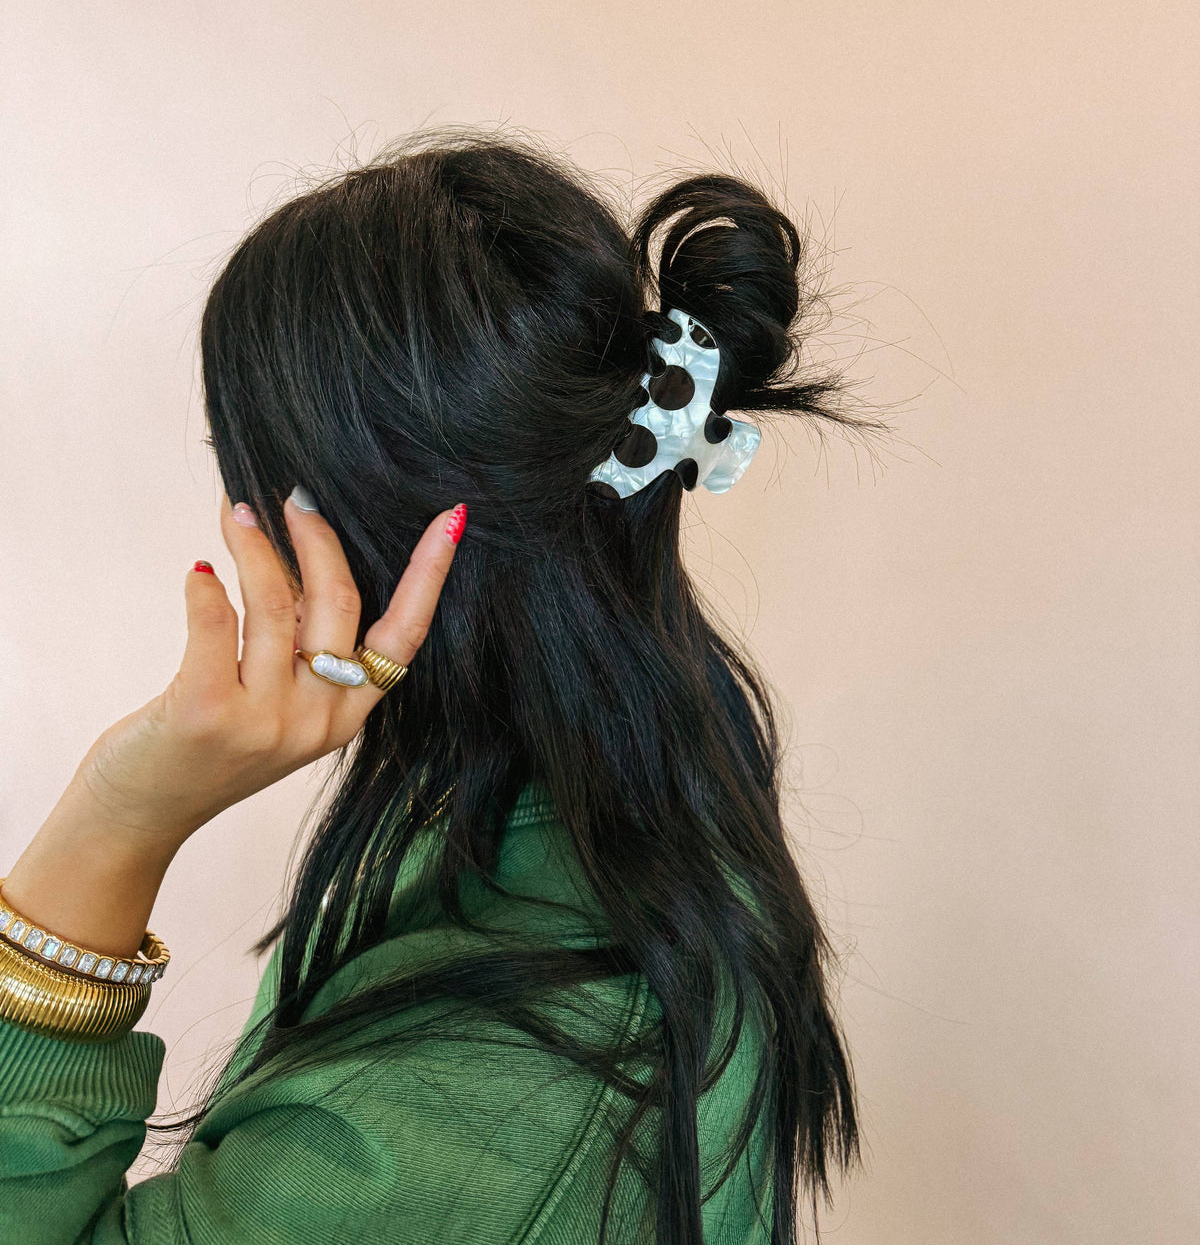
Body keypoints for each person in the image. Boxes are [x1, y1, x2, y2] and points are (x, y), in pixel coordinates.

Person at [0, 128, 878, 1243]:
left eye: (249, 474)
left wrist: (120, 820)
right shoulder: (576, 826)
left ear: (342, 526)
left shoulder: (524, 1064)